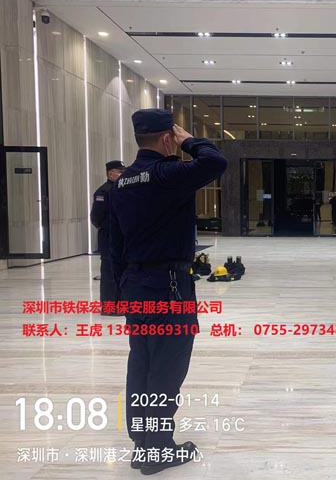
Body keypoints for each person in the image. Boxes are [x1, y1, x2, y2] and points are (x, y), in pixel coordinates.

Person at [110, 109, 227, 474]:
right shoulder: (166, 175)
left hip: (136, 286)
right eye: (174, 138)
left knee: (142, 362)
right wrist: (191, 141)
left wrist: (123, 290)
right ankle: (157, 449)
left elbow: (115, 245)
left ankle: (142, 441)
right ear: (166, 138)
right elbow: (215, 162)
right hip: (169, 288)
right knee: (167, 368)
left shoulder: (121, 182)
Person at [90, 160, 125, 315]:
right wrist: (108, 228)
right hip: (108, 238)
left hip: (121, 238)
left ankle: (121, 304)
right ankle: (109, 307)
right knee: (109, 273)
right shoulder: (103, 192)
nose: (122, 174)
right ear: (111, 174)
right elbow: (96, 217)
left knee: (120, 272)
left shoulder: (121, 189)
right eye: (120, 172)